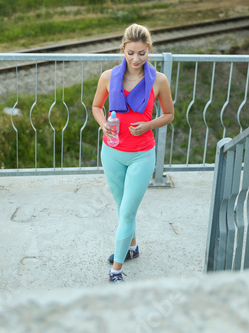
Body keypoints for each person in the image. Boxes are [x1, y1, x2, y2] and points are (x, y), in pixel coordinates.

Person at [92, 23, 174, 283]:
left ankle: (115, 269)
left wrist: (149, 124)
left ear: (149, 50)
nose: (136, 59)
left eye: (141, 53)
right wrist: (103, 123)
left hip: (141, 154)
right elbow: (96, 106)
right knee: (121, 206)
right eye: (130, 53)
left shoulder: (159, 80)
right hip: (112, 152)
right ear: (123, 50)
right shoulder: (108, 77)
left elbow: (170, 115)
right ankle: (132, 247)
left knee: (127, 212)